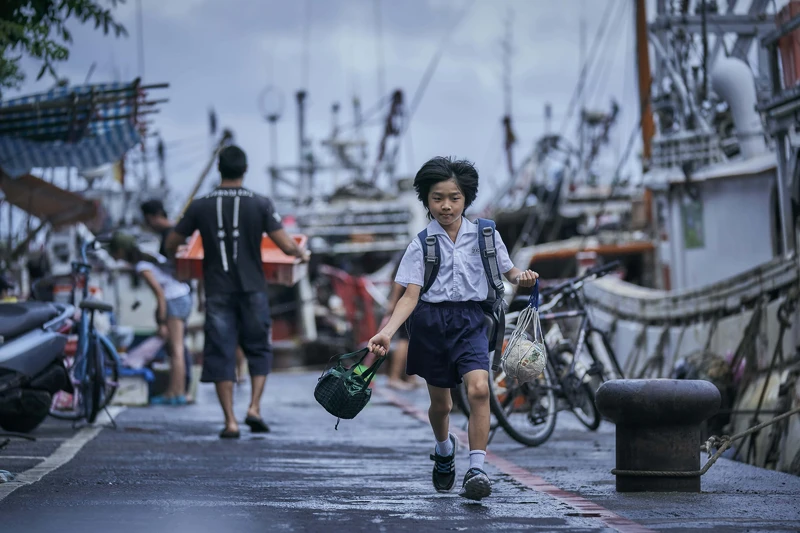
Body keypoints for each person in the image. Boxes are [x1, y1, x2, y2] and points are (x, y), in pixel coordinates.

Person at [367, 156, 539, 501]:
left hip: (472, 322)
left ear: (467, 199)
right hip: (430, 324)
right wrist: (387, 331)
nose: (446, 206)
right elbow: (409, 297)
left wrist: (522, 276)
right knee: (441, 405)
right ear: (427, 200)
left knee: (478, 390)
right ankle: (444, 450)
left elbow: (509, 271)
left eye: (454, 198)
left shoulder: (486, 235)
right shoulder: (421, 244)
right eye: (437, 198)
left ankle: (477, 467)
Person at [164, 145, 310, 439]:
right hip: (253, 288)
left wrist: (181, 254)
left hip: (217, 289)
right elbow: (285, 245)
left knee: (221, 351)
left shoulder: (200, 205)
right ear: (245, 170)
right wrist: (302, 255)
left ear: (219, 169)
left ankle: (230, 421)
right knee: (258, 347)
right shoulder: (260, 203)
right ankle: (254, 408)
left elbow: (171, 244)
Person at [108, 232, 192, 405]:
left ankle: (177, 393)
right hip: (182, 296)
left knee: (176, 350)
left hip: (174, 299)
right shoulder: (150, 259)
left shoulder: (142, 266)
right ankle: (175, 391)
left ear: (121, 251)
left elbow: (160, 293)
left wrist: (161, 321)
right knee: (175, 349)